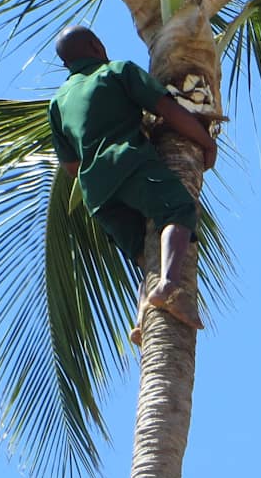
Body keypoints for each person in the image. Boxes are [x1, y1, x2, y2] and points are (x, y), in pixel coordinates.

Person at [47, 24, 218, 336]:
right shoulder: (116, 71)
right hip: (128, 163)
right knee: (178, 209)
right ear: (96, 46)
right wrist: (205, 141)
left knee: (145, 253)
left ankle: (142, 317)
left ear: (65, 63)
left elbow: (71, 166)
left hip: (97, 194)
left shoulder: (58, 102)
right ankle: (168, 286)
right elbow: (167, 110)